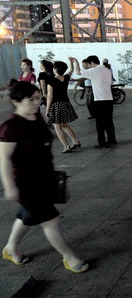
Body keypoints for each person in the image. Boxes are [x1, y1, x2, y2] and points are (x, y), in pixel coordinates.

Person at [0, 81, 89, 273]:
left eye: (38, 98)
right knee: (51, 220)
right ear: (16, 101)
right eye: (31, 99)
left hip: (44, 178)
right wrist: (9, 186)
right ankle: (69, 257)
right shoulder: (10, 127)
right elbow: (4, 159)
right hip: (25, 183)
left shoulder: (36, 118)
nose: (36, 102)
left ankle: (10, 248)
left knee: (28, 215)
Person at [72, 55, 116, 148]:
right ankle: (112, 139)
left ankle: (102, 142)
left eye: (88, 64)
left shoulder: (94, 70)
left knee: (99, 122)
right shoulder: (106, 70)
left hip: (99, 100)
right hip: (109, 98)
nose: (88, 66)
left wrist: (76, 62)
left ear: (91, 63)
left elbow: (78, 72)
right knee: (108, 121)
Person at [46, 60, 81, 153]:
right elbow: (71, 70)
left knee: (57, 127)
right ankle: (75, 141)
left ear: (56, 69)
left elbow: (50, 96)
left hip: (56, 105)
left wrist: (47, 109)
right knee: (64, 125)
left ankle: (66, 146)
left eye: (54, 68)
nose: (53, 69)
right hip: (66, 103)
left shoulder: (51, 81)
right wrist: (71, 61)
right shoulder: (66, 78)